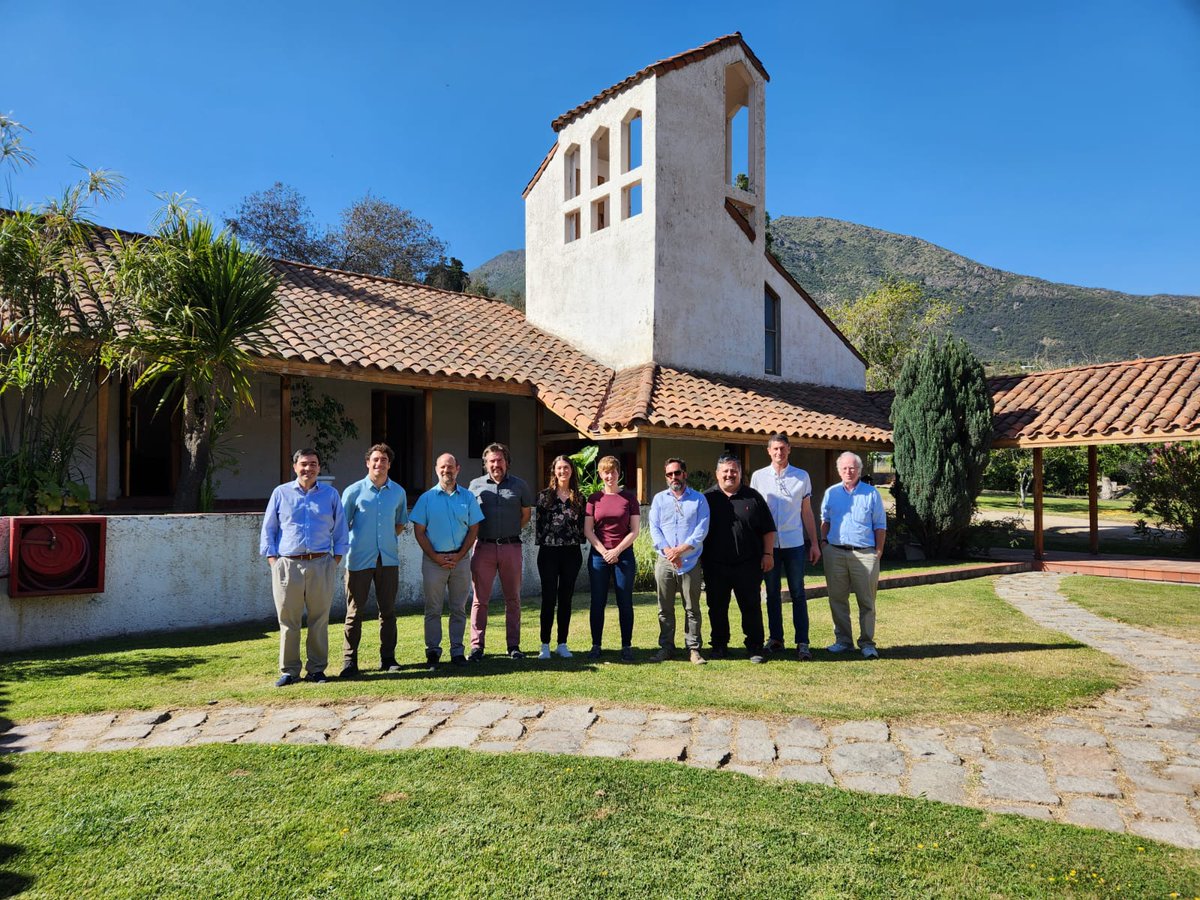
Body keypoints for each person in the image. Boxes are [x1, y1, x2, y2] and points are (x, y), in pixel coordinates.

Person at [260, 448, 349, 686]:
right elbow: (268, 529)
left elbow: (341, 530)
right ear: (295, 466)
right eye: (303, 464)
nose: (308, 468)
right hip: (287, 565)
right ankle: (289, 671)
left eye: (313, 464)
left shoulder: (330, 495)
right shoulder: (281, 493)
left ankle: (317, 669)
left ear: (319, 468)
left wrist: (335, 559)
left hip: (321, 564)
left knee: (319, 619)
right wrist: (273, 561)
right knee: (288, 620)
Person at [339, 443, 409, 678]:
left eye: (384, 460)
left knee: (388, 611)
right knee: (354, 612)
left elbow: (400, 524)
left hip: (388, 559)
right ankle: (349, 661)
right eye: (375, 460)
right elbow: (341, 526)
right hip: (358, 559)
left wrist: (384, 540)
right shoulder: (353, 491)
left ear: (390, 464)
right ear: (368, 463)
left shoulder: (398, 492)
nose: (379, 464)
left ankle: (388, 658)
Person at [750, 433, 821, 661]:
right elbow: (755, 514)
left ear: (789, 449)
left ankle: (803, 642)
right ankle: (776, 638)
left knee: (798, 593)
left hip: (794, 544)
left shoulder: (802, 477)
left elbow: (807, 512)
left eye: (782, 448)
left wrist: (815, 544)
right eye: (775, 449)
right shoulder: (759, 477)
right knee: (771, 594)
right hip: (769, 546)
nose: (779, 452)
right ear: (768, 451)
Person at [410, 453, 483, 669]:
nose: (446, 471)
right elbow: (419, 531)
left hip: (460, 560)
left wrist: (460, 555)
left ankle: (457, 651)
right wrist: (436, 557)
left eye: (450, 467)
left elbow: (474, 528)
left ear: (458, 469)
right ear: (436, 469)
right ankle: (433, 651)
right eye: (442, 467)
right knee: (433, 609)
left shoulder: (468, 498)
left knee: (458, 608)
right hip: (434, 562)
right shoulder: (426, 499)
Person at [702, 453, 776, 663]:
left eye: (734, 470)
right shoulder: (706, 499)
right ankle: (719, 646)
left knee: (751, 606)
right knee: (716, 606)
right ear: (717, 474)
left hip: (748, 563)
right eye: (725, 471)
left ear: (741, 473)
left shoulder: (753, 497)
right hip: (715, 564)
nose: (729, 475)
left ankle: (754, 647)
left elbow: (768, 529)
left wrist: (768, 554)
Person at [468, 443, 535, 660]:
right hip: (483, 547)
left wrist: (510, 531)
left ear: (506, 462)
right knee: (480, 599)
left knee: (513, 599)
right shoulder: (474, 486)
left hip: (510, 547)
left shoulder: (520, 486)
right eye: (492, 461)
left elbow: (525, 516)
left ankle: (513, 646)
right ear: (485, 464)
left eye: (500, 460)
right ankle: (477, 647)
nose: (496, 465)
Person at [819, 451, 887, 660]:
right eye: (844, 468)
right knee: (837, 599)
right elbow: (825, 519)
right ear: (838, 470)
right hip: (835, 553)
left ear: (859, 470)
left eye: (852, 468)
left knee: (867, 602)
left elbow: (880, 525)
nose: (848, 471)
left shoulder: (871, 493)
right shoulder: (831, 493)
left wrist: (878, 552)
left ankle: (867, 643)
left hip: (865, 554)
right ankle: (843, 641)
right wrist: (824, 544)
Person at [647, 457, 710, 665]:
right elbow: (654, 528)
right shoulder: (659, 499)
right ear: (666, 477)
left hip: (690, 561)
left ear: (685, 474)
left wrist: (680, 551)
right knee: (664, 607)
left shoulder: (699, 499)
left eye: (677, 473)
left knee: (692, 608)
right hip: (665, 562)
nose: (674, 477)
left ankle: (693, 649)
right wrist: (669, 552)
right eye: (669, 474)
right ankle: (666, 647)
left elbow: (701, 530)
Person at [583, 455, 640, 662]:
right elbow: (588, 530)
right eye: (605, 472)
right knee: (597, 602)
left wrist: (616, 551)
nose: (610, 476)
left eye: (613, 471)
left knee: (625, 601)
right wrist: (604, 551)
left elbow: (634, 531)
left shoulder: (629, 499)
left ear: (619, 473)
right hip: (599, 556)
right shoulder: (593, 499)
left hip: (623, 555)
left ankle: (626, 646)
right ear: (600, 474)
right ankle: (596, 645)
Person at [534, 455, 585, 659]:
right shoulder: (544, 496)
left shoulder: (579, 498)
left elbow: (582, 526)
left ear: (572, 471)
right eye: (559, 468)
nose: (563, 471)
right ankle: (544, 644)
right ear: (554, 471)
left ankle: (562, 643)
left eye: (566, 468)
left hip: (571, 553)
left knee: (566, 598)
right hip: (548, 552)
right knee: (548, 598)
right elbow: (539, 526)